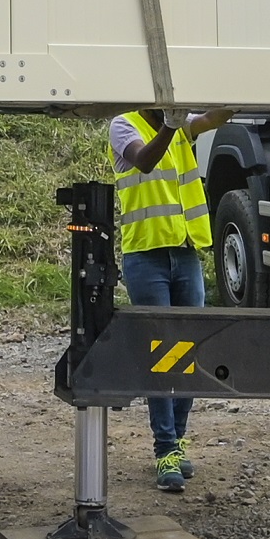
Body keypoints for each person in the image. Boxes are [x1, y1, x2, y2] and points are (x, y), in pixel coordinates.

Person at [104, 107, 234, 489]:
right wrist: (171, 125)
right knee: (162, 353)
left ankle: (177, 440)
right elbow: (144, 160)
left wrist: (232, 100)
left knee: (189, 349)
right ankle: (165, 449)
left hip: (185, 250)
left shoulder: (180, 123)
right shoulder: (123, 125)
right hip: (146, 255)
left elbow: (211, 119)